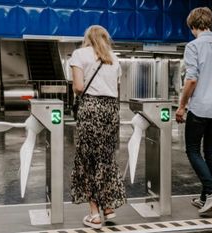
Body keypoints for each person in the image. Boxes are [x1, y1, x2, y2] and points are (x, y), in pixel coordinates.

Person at [175, 7, 212, 214]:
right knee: (210, 151)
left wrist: (181, 106)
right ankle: (204, 198)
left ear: (193, 26)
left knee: (192, 149)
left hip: (200, 107)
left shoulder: (193, 46)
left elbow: (191, 79)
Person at [69, 25, 125, 229]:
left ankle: (94, 214)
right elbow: (116, 88)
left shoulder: (79, 54)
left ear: (87, 38)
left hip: (91, 108)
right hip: (111, 110)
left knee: (88, 160)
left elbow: (78, 87)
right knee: (106, 157)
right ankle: (108, 207)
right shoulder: (114, 57)